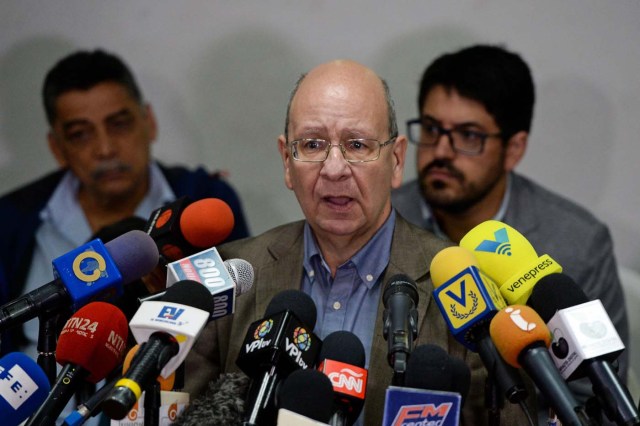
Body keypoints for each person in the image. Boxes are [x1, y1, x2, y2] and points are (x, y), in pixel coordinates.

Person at [185, 59, 531, 425]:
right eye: (313, 144)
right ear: (287, 161)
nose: (334, 168)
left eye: (358, 145)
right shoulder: (232, 274)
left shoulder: (466, 288)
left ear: (396, 161)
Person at [391, 44, 629, 423]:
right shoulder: (384, 219)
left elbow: (593, 396)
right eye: (433, 129)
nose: (442, 151)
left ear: (514, 149)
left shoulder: (579, 243)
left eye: (468, 136)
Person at [0, 49, 250, 355]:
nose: (105, 149)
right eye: (80, 134)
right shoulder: (11, 221)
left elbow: (238, 324)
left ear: (150, 123)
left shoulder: (203, 200)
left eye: (119, 125)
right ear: (57, 147)